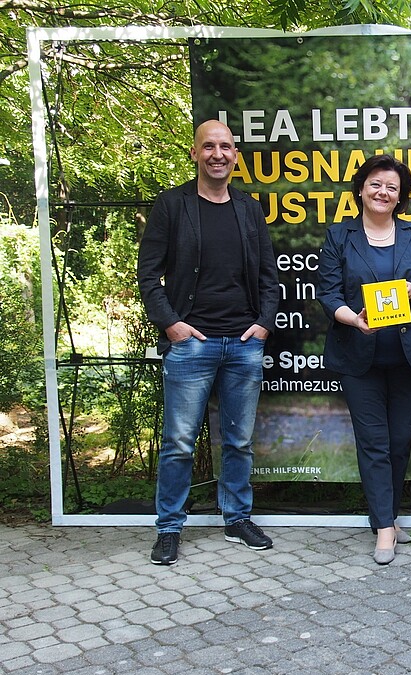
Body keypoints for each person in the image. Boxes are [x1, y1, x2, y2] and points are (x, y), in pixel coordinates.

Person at [137, 119, 280, 566]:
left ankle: (237, 519)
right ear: (196, 153)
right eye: (209, 146)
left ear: (235, 155)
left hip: (243, 344)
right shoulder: (172, 205)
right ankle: (169, 528)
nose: (218, 154)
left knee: (238, 441)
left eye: (226, 147)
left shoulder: (249, 208)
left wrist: (263, 324)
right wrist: (172, 325)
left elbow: (269, 276)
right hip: (191, 345)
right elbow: (148, 274)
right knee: (179, 442)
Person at [316, 154, 411, 566]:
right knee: (373, 443)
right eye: (375, 184)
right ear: (361, 189)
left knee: (400, 443)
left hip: (409, 357)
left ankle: (384, 515)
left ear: (402, 196)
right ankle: (385, 528)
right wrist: (352, 319)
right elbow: (328, 293)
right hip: (359, 357)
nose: (383, 192)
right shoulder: (339, 236)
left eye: (392, 187)